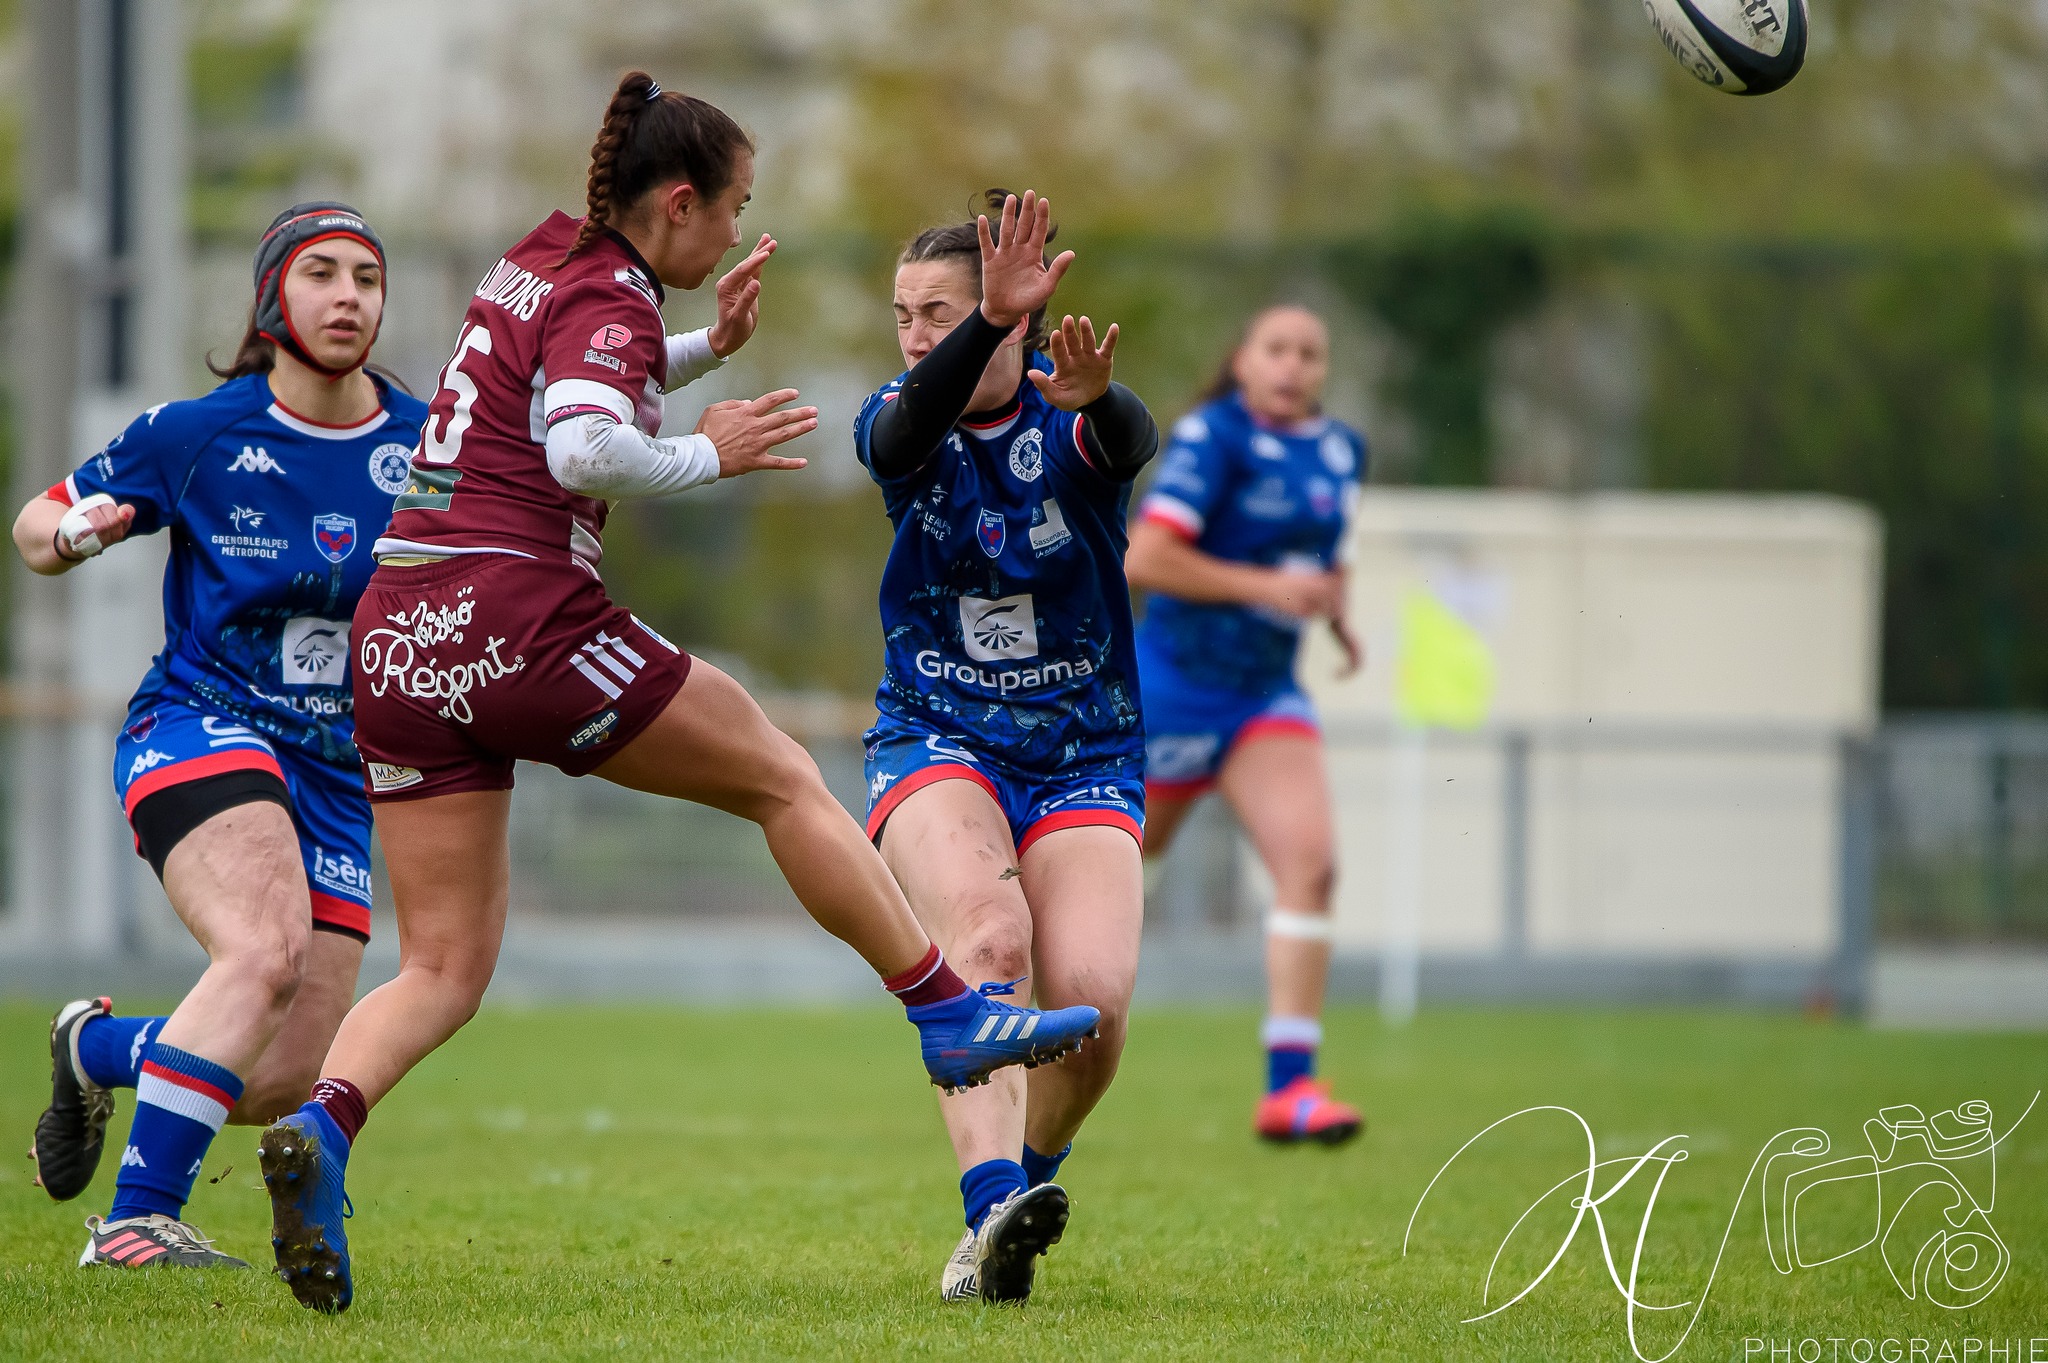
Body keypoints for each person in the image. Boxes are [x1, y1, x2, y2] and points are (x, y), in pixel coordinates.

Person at [255, 76, 1099, 1315]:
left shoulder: (538, 258)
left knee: (440, 962)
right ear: (679, 202)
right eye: (736, 206)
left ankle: (322, 1129)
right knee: (781, 777)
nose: (736, 228)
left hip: (398, 634)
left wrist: (704, 351)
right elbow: (578, 445)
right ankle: (946, 1014)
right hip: (516, 612)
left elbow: (555, 381)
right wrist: (716, 448)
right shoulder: (609, 289)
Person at [15, 203, 428, 1267]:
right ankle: (137, 1221)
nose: (348, 296)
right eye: (322, 273)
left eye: (367, 279)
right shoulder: (195, 435)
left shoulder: (427, 445)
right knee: (262, 949)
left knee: (288, 1068)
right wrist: (76, 532)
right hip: (202, 725)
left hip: (338, 772)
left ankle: (94, 1047)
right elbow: (33, 525)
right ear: (271, 299)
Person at [855, 190, 1160, 1305]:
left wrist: (1104, 395)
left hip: (1083, 750)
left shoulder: (1065, 423)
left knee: (1093, 1004)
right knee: (988, 940)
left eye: (940, 310)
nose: (917, 333)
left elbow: (1130, 439)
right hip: (937, 734)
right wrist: (983, 322)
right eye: (907, 311)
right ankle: (985, 1206)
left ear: (1025, 312)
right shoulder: (895, 418)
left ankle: (1025, 1187)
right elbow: (901, 432)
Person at [1123, 304, 1369, 1146]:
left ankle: (1290, 1088)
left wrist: (1338, 615)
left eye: (1311, 351)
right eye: (1277, 348)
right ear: (1243, 358)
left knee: (1313, 865)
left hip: (1266, 694)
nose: (1294, 365)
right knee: (1117, 872)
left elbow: (1323, 553)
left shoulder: (1342, 450)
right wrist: (1265, 590)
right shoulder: (1210, 439)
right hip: (1174, 688)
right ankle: (1020, 1033)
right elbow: (1145, 557)